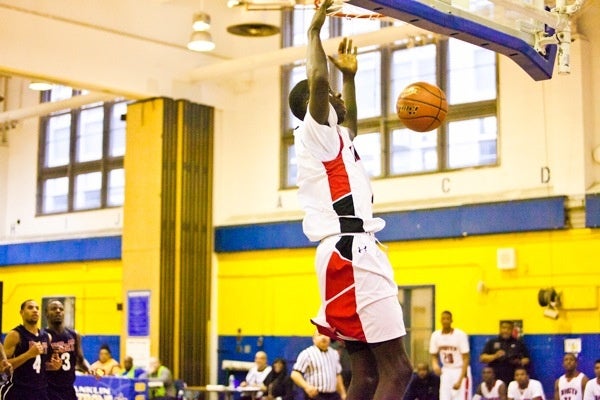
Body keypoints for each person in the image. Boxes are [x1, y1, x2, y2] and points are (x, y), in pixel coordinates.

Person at [287, 0, 413, 398]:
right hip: (350, 251)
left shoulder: (336, 139)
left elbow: (351, 120)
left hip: (344, 252)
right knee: (399, 370)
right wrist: (312, 34)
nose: (338, 97)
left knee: (369, 374)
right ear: (315, 104)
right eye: (332, 95)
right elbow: (317, 82)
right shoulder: (316, 132)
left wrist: (351, 77)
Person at [0, 299, 61, 400]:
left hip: (40, 392)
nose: (35, 310)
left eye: (37, 308)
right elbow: (2, 367)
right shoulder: (15, 335)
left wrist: (53, 366)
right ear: (21, 312)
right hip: (18, 391)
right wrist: (28, 354)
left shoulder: (46, 337)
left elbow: (39, 366)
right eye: (30, 307)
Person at [45, 299, 93, 400]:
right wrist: (51, 366)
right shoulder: (43, 336)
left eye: (61, 309)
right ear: (46, 313)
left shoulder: (74, 335)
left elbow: (80, 359)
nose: (58, 311)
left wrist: (89, 369)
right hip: (48, 390)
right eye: (54, 309)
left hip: (68, 389)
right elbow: (36, 366)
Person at [290, 332, 347, 400]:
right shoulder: (307, 353)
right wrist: (307, 387)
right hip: (316, 395)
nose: (323, 337)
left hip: (333, 395)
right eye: (319, 335)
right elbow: (295, 374)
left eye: (326, 334)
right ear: (314, 339)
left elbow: (337, 375)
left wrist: (343, 393)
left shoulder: (334, 353)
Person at [429, 311, 472, 400]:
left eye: (447, 319)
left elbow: (466, 358)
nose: (445, 321)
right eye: (443, 319)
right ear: (440, 320)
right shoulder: (435, 335)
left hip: (460, 369)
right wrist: (435, 365)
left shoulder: (460, 335)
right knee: (444, 397)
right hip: (446, 370)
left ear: (451, 320)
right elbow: (433, 355)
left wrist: (460, 380)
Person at [480, 321, 530, 386]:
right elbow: (482, 358)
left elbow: (527, 359)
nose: (506, 330)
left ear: (512, 330)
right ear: (500, 329)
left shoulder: (518, 343)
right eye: (504, 328)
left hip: (513, 378)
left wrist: (519, 362)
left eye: (509, 328)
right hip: (495, 378)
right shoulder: (492, 342)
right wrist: (495, 356)